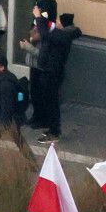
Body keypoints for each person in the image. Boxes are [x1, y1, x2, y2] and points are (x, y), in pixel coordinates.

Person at [21, 9, 79, 142]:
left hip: (52, 74)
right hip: (50, 72)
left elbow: (46, 34)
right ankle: (51, 127)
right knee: (49, 101)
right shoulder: (61, 35)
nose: (56, 22)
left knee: (52, 102)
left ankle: (54, 132)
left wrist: (38, 16)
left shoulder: (62, 36)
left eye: (59, 21)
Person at [0, 54, 34, 164]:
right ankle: (32, 162)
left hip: (3, 119)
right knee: (14, 140)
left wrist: (3, 123)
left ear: (2, 67)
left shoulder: (5, 85)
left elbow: (7, 105)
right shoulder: (7, 77)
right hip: (4, 117)